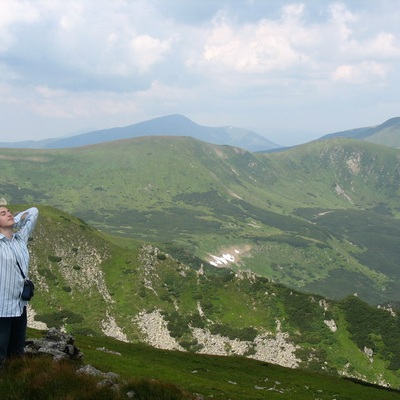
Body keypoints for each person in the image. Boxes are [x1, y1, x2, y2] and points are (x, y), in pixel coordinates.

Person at [0, 205, 39, 366]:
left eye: (8, 211)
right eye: (3, 213)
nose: (9, 214)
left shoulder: (20, 238)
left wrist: (14, 221)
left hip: (19, 305)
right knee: (1, 351)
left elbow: (34, 212)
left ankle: (14, 384)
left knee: (16, 351)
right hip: (1, 308)